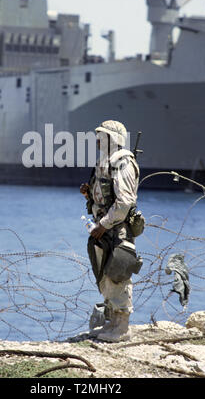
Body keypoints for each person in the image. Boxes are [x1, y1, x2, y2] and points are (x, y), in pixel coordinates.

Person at [80, 120, 141, 342]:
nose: (97, 140)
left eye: (102, 136)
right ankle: (112, 323)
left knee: (118, 275)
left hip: (117, 229)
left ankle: (122, 328)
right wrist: (90, 195)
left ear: (113, 138)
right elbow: (108, 195)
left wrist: (104, 224)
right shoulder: (105, 162)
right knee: (105, 275)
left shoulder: (123, 162)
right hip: (104, 228)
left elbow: (124, 202)